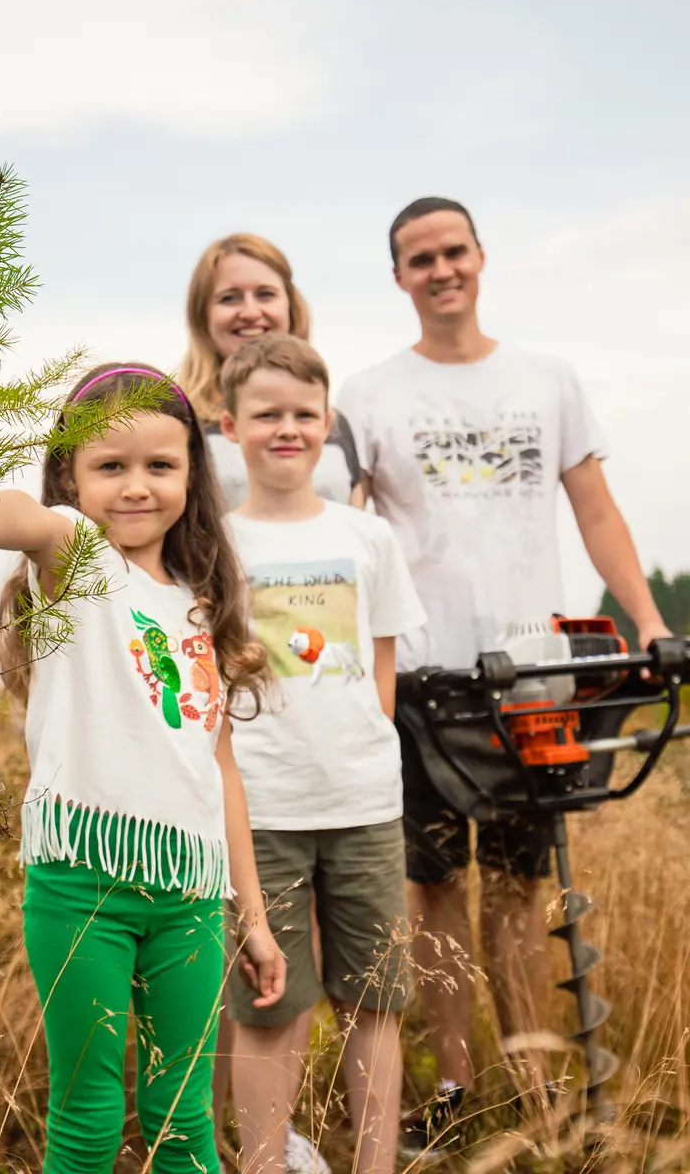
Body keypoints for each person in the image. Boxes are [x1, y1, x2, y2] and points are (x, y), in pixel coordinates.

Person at [0, 362, 288, 1174]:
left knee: (185, 1123)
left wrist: (251, 913)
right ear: (72, 477)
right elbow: (32, 524)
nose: (136, 488)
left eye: (159, 466)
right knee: (91, 1115)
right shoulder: (80, 566)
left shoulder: (202, 606)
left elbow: (221, 773)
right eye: (110, 467)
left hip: (190, 895)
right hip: (83, 885)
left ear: (192, 476)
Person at [335, 198, 673, 1156]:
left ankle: (534, 1083)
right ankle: (454, 1081)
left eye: (453, 251)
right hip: (423, 682)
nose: (440, 270)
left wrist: (645, 622)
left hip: (534, 677)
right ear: (397, 277)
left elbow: (597, 513)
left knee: (522, 891)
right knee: (431, 889)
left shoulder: (548, 381)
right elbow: (349, 532)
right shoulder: (368, 394)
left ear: (481, 258)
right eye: (418, 259)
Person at [218, 336, 427, 1174]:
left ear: (327, 422)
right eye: (267, 414)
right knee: (269, 1005)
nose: (286, 429)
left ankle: (375, 1165)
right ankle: (267, 1163)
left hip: (365, 804)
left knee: (375, 1001)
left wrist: (354, 746)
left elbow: (382, 664)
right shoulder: (216, 545)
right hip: (261, 808)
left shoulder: (365, 538)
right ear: (230, 425)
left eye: (304, 414)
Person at [180, 234, 367, 510]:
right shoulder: (181, 422)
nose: (251, 312)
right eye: (230, 298)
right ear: (202, 315)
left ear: (290, 306)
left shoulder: (336, 426)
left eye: (265, 294)